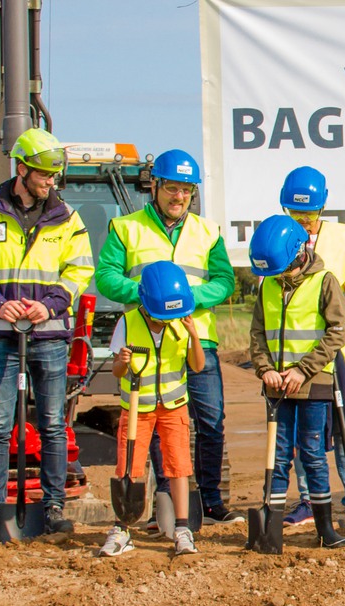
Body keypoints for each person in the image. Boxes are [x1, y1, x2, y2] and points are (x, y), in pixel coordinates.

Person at [0, 128, 94, 540]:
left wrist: (49, 305)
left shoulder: (68, 218)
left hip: (49, 336)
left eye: (54, 175)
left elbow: (79, 270)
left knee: (52, 425)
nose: (51, 182)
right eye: (44, 174)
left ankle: (53, 508)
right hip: (0, 335)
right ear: (22, 169)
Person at [95, 149, 240, 526]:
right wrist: (148, 294)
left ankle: (211, 501)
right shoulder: (125, 228)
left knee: (210, 421)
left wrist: (189, 298)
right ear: (155, 186)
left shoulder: (208, 232)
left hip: (196, 339)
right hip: (148, 340)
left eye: (186, 190)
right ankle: (166, 503)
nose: (179, 197)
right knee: (158, 421)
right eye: (172, 188)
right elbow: (106, 278)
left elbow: (224, 281)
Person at [274, 166, 345, 528]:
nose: (303, 220)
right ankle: (307, 500)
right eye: (296, 212)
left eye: (310, 212)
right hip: (292, 356)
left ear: (322, 207)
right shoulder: (278, 239)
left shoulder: (342, 240)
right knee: (303, 432)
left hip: (334, 354)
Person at [248, 215, 345, 547]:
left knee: (312, 454)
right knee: (277, 456)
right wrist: (264, 369)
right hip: (276, 387)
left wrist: (302, 370)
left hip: (313, 385)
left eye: (280, 269)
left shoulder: (324, 282)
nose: (277, 276)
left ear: (298, 252)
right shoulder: (267, 285)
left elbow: (338, 332)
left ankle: (325, 530)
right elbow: (257, 334)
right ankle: (271, 532)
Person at [99, 262, 205, 556]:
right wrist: (122, 361)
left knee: (178, 465)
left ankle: (182, 528)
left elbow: (197, 365)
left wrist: (194, 336)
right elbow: (117, 371)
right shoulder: (127, 323)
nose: (166, 320)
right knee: (129, 467)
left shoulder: (182, 322)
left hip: (174, 408)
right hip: (137, 409)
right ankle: (123, 527)